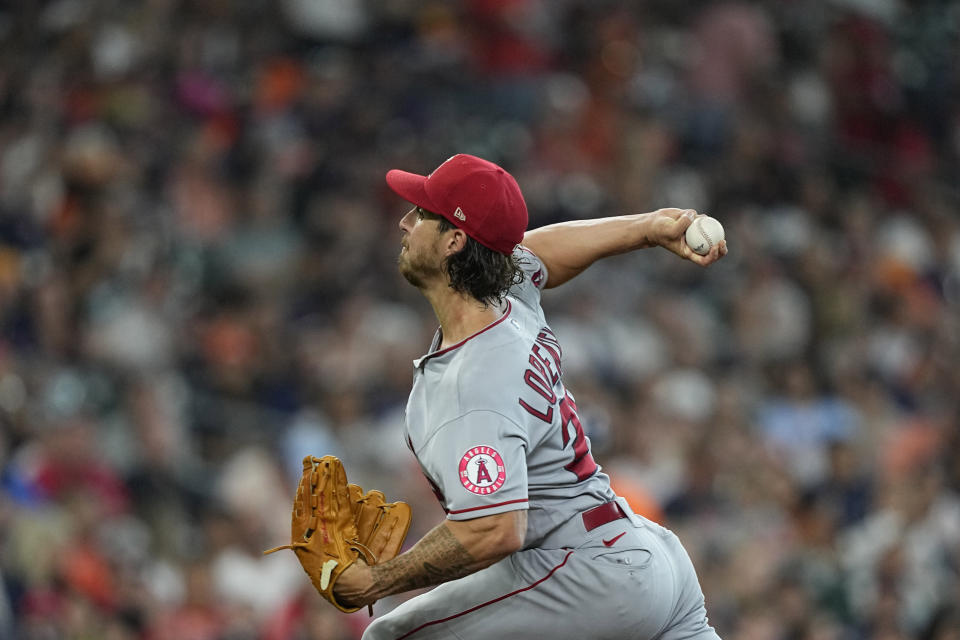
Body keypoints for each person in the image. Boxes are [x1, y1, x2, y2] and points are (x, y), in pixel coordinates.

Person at [334, 154, 727, 639]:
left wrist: (379, 580)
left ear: (454, 241)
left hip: (588, 574)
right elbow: (537, 253)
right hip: (646, 556)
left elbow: (495, 530)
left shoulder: (473, 380)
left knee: (389, 637)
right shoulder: (505, 297)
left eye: (422, 214)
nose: (405, 221)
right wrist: (646, 228)